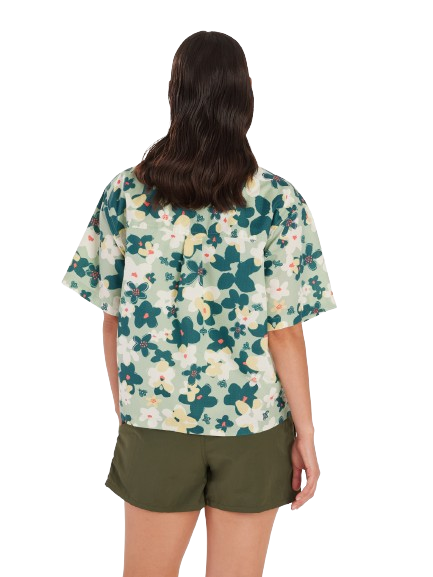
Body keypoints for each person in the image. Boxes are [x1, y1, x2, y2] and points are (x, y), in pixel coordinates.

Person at [62, 30, 337, 577]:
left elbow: (112, 317)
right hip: (253, 426)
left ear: (175, 93)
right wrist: (306, 433)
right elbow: (284, 331)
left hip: (155, 422)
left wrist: (130, 409)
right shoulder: (278, 202)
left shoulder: (126, 194)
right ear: (245, 95)